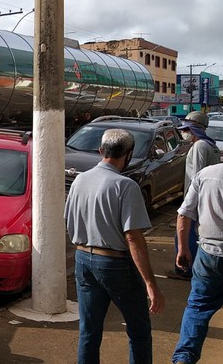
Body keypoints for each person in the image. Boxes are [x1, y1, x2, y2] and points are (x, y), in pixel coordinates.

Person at [65, 128, 165, 364]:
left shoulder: (80, 179)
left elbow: (68, 221)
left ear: (101, 151)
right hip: (115, 262)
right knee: (138, 330)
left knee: (89, 330)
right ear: (128, 154)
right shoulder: (125, 186)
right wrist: (151, 284)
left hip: (83, 259)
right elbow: (133, 237)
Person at [171, 163, 223, 364]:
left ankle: (184, 358)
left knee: (198, 306)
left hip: (208, 253)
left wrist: (183, 250)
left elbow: (184, 215)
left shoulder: (206, 174)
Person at [166, 111, 220, 281]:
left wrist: (190, 202)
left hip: (195, 198)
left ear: (196, 129)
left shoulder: (199, 146)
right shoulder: (210, 145)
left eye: (187, 130)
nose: (184, 133)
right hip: (205, 198)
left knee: (184, 234)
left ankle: (184, 269)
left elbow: (197, 175)